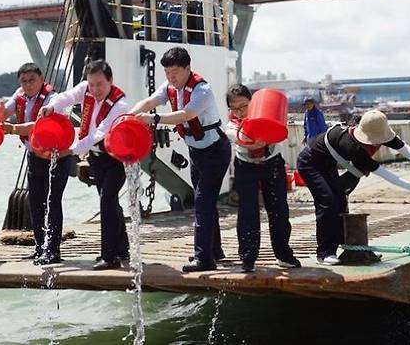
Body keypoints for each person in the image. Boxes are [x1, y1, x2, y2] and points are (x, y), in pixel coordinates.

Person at [129, 47, 230, 273]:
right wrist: (129, 117)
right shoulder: (170, 87)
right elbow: (149, 102)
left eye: (175, 72)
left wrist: (153, 119)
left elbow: (186, 115)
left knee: (203, 202)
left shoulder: (202, 90)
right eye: (167, 73)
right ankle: (214, 250)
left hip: (215, 151)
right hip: (196, 152)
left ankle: (204, 259)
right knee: (204, 201)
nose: (170, 77)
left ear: (187, 68)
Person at [297, 109, 410, 265]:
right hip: (310, 163)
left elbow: (404, 148)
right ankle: (324, 253)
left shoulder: (377, 130)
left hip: (328, 163)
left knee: (340, 202)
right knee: (327, 201)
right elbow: (382, 172)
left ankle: (350, 247)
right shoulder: (352, 146)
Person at [40, 60, 129, 271]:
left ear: (111, 82)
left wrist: (70, 150)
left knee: (106, 202)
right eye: (92, 85)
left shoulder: (120, 105)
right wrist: (52, 106)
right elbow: (68, 96)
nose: (95, 90)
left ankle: (109, 256)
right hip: (97, 159)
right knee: (110, 203)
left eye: (100, 84)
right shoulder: (86, 89)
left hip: (115, 158)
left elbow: (98, 135)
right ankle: (123, 248)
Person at [0, 62, 72, 265]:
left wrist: (12, 129)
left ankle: (53, 250)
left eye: (32, 80)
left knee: (52, 202)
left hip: (56, 157)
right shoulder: (20, 95)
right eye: (24, 81)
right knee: (36, 203)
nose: (28, 85)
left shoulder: (52, 99)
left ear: (41, 79)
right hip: (35, 156)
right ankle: (40, 248)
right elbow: (6, 111)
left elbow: (38, 126)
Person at [225, 84, 300, 273]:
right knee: (247, 212)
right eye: (235, 108)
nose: (240, 111)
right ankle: (248, 259)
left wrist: (267, 128)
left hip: (272, 162)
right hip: (245, 166)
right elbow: (243, 139)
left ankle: (284, 255)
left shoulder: (267, 114)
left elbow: (279, 133)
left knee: (279, 210)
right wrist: (255, 134)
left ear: (253, 102)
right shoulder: (230, 125)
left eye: (244, 106)